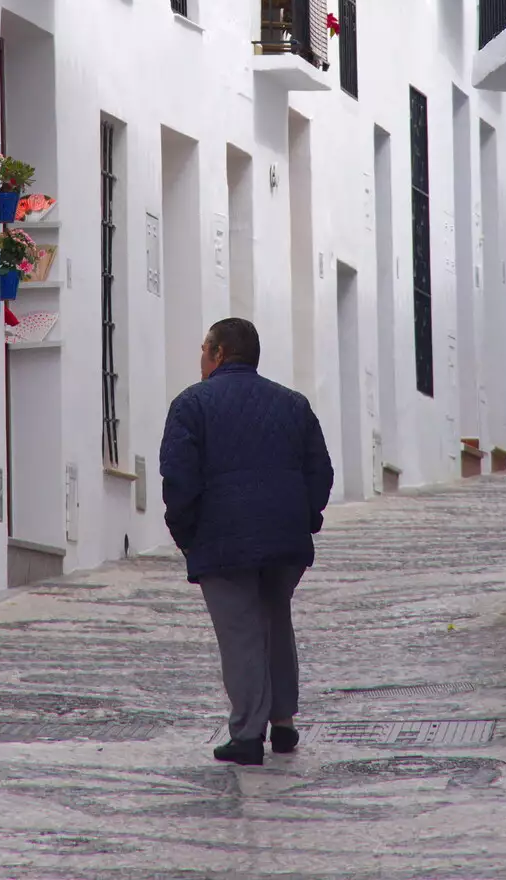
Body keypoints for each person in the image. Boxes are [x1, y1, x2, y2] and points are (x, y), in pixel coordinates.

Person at [159, 317, 334, 766]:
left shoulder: (191, 404)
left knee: (239, 631)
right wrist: (305, 518)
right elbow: (321, 471)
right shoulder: (293, 405)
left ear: (218, 354)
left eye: (203, 349)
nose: (200, 358)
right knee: (275, 621)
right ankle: (283, 722)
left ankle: (247, 733)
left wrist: (186, 534)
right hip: (284, 539)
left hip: (222, 541)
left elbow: (178, 478)